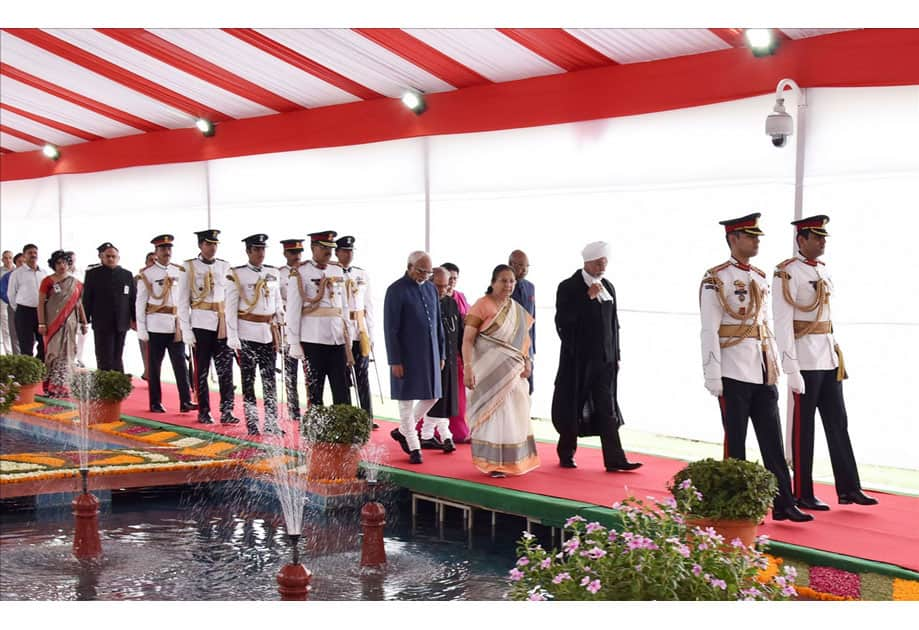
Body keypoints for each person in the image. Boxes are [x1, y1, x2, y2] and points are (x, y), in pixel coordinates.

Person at [700, 214, 812, 522]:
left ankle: (784, 502)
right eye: (750, 236)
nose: (756, 241)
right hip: (733, 369)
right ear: (733, 238)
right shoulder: (715, 278)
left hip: (762, 368)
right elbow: (709, 330)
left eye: (758, 236)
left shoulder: (761, 277)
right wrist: (712, 373)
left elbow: (764, 325)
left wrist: (777, 366)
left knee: (772, 440)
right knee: (735, 442)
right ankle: (736, 507)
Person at [772, 215, 877, 509]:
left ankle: (849, 487)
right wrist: (790, 366)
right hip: (804, 358)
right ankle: (802, 492)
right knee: (804, 429)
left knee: (838, 423)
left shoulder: (823, 271)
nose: (822, 242)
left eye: (823, 237)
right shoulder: (786, 273)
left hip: (828, 355)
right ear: (801, 240)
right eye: (816, 237)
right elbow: (782, 324)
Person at [551, 241, 642, 473]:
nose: (603, 266)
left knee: (607, 408)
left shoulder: (608, 286)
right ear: (588, 262)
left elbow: (615, 324)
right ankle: (566, 452)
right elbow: (562, 322)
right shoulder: (569, 287)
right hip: (578, 362)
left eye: (605, 262)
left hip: (606, 360)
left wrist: (616, 354)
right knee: (574, 406)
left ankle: (615, 459)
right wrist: (586, 299)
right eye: (599, 262)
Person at [463, 265, 539, 478]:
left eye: (511, 281)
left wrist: (527, 361)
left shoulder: (516, 308)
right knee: (495, 414)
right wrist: (467, 368)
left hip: (514, 371)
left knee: (516, 411)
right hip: (488, 372)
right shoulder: (481, 305)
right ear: (493, 282)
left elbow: (525, 340)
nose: (508, 285)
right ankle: (493, 463)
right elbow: (468, 339)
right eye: (503, 281)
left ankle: (513, 460)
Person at [384, 251, 444, 465]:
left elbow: (438, 323)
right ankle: (413, 445)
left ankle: (402, 431)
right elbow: (391, 329)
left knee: (433, 396)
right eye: (421, 271)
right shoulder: (395, 290)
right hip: (406, 355)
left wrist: (442, 352)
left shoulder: (430, 288)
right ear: (409, 266)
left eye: (428, 272)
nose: (425, 276)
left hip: (430, 354)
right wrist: (395, 360)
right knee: (406, 403)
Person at [177, 229, 239, 425]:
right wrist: (186, 330)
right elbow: (182, 301)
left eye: (215, 244)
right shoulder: (189, 267)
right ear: (200, 246)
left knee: (226, 370)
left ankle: (227, 410)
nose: (212, 248)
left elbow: (231, 298)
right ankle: (204, 410)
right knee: (202, 369)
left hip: (222, 323)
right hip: (201, 323)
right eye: (208, 244)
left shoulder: (225, 266)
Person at [226, 234, 285, 436]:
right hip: (247, 334)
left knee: (270, 381)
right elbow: (230, 308)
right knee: (248, 381)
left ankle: (271, 422)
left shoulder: (272, 272)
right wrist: (232, 336)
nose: (260, 253)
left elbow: (276, 302)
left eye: (262, 249)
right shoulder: (237, 274)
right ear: (248, 251)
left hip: (268, 334)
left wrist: (280, 319)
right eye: (256, 249)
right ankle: (252, 423)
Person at [286, 230, 351, 407]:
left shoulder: (337, 269)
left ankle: (342, 429)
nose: (328, 252)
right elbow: (293, 310)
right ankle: (315, 431)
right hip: (313, 339)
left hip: (337, 339)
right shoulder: (300, 272)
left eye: (331, 248)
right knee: (315, 391)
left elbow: (344, 306)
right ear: (313, 247)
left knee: (342, 389)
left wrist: (348, 335)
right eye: (324, 248)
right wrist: (293, 341)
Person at [135, 234, 196, 414]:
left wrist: (187, 325)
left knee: (180, 365)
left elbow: (185, 300)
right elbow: (140, 303)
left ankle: (185, 401)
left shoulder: (180, 271)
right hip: (156, 325)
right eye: (163, 249)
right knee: (154, 366)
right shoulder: (147, 274)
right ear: (156, 251)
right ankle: (155, 402)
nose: (166, 252)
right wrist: (142, 329)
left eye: (169, 249)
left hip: (175, 325)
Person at [418, 267, 462, 453]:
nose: (443, 289)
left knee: (445, 401)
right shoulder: (424, 303)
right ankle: (438, 435)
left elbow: (457, 331)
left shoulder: (451, 303)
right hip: (432, 360)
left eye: (445, 285)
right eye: (438, 286)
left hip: (450, 359)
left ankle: (435, 435)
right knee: (435, 399)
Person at [336, 235, 378, 427]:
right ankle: (349, 417)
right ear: (337, 253)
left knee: (363, 374)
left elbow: (369, 305)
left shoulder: (361, 274)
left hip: (359, 330)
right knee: (343, 377)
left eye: (351, 251)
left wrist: (370, 333)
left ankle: (367, 416)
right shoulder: (332, 273)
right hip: (341, 330)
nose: (348, 254)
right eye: (344, 251)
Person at [37, 250, 88, 397]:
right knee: (53, 353)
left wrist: (84, 322)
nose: (62, 266)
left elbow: (79, 303)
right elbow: (40, 303)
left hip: (70, 323)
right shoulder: (48, 281)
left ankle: (63, 385)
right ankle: (51, 386)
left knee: (68, 353)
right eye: (59, 263)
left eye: (65, 263)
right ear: (53, 265)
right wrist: (41, 323)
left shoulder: (76, 283)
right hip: (52, 323)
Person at [82, 242, 136, 372]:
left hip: (121, 322)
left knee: (118, 356)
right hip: (102, 322)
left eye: (113, 256)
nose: (111, 259)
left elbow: (132, 298)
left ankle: (118, 384)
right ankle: (103, 384)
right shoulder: (93, 274)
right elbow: (87, 298)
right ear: (102, 257)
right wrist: (84, 320)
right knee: (103, 356)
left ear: (118, 258)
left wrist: (134, 319)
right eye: (108, 256)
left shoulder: (127, 274)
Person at [441, 262, 470, 442]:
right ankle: (431, 430)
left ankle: (458, 430)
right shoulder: (435, 296)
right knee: (439, 395)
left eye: (454, 278)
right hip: (442, 354)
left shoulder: (461, 297)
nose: (451, 282)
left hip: (458, 353)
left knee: (459, 395)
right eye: (448, 278)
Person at [278, 238, 305, 421]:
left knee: (310, 370)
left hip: (308, 324)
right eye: (292, 253)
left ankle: (312, 406)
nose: (296, 256)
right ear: (285, 254)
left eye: (299, 252)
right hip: (288, 325)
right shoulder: (279, 274)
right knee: (290, 370)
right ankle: (293, 409)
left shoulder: (306, 271)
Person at [8, 244, 49, 359]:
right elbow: (11, 294)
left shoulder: (44, 272)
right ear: (24, 256)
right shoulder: (17, 273)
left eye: (35, 253)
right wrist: (19, 309)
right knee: (26, 344)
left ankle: (40, 368)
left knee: (43, 342)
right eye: (30, 253)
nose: (33, 255)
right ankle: (28, 371)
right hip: (24, 311)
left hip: (41, 312)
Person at [509, 250, 536, 394]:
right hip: (509, 345)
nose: (524, 269)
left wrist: (533, 349)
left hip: (527, 345)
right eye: (520, 265)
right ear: (510, 264)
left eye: (527, 266)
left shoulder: (530, 287)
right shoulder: (504, 286)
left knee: (527, 388)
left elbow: (533, 319)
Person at [137, 252, 155, 379]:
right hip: (143, 319)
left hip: (161, 320)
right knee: (145, 348)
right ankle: (148, 372)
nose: (153, 262)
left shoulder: (167, 277)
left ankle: (152, 373)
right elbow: (132, 301)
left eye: (156, 260)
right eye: (151, 260)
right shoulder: (138, 278)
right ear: (146, 262)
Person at [0, 251, 18, 354]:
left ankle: (11, 351)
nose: (8, 260)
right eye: (5, 258)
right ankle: (8, 351)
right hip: (2, 302)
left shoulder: (16, 272)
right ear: (2, 259)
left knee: (11, 327)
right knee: (4, 327)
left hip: (12, 302)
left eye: (10, 258)